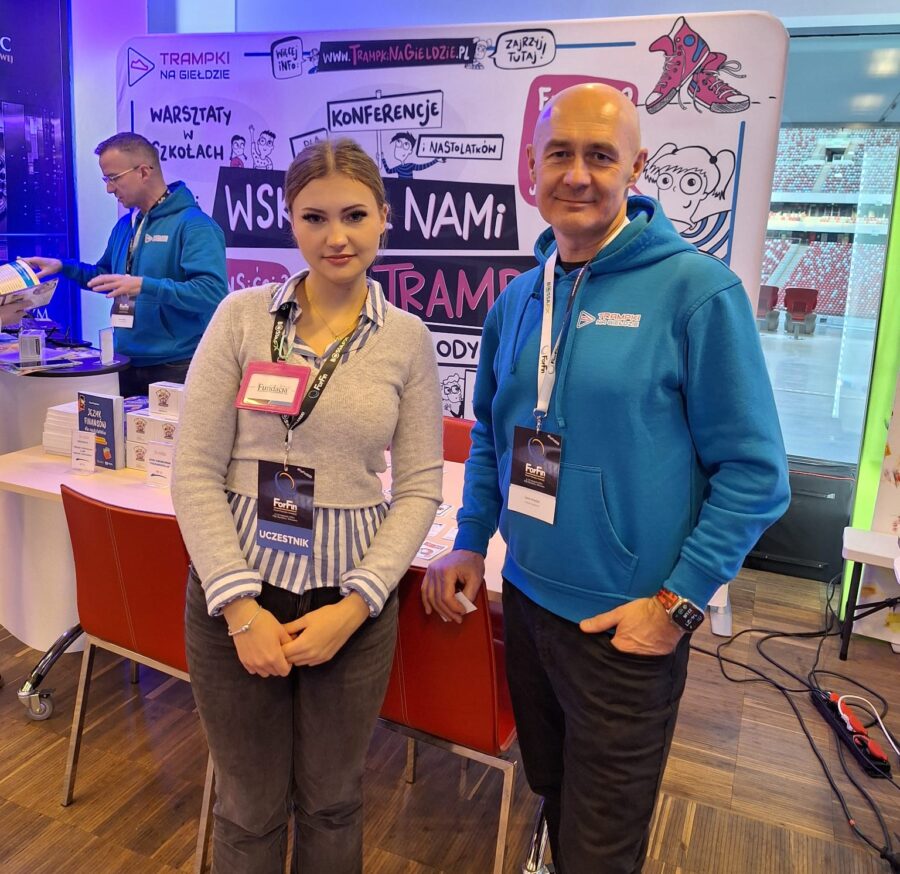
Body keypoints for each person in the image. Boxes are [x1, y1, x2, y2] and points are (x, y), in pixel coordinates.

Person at [422, 83, 790, 874]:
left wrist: (678, 605)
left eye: (600, 155)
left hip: (628, 625)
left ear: (636, 166)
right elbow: (491, 434)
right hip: (526, 601)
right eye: (560, 154)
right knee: (553, 793)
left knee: (603, 844)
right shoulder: (520, 298)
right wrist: (470, 541)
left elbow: (756, 474)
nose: (578, 175)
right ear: (531, 167)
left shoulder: (696, 292)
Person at [172, 137, 442, 873]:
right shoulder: (240, 318)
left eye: (354, 215)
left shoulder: (407, 340)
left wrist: (355, 606)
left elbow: (420, 486)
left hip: (348, 605)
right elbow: (193, 471)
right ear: (290, 221)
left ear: (384, 217)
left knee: (332, 803)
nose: (336, 236)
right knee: (248, 807)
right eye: (314, 217)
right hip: (236, 598)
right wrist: (240, 608)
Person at [23, 133, 227, 396]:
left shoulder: (194, 225)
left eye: (114, 178)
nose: (109, 189)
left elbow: (212, 293)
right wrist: (63, 267)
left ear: (143, 172)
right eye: (105, 180)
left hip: (177, 366)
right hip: (125, 362)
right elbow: (105, 277)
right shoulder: (125, 225)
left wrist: (144, 286)